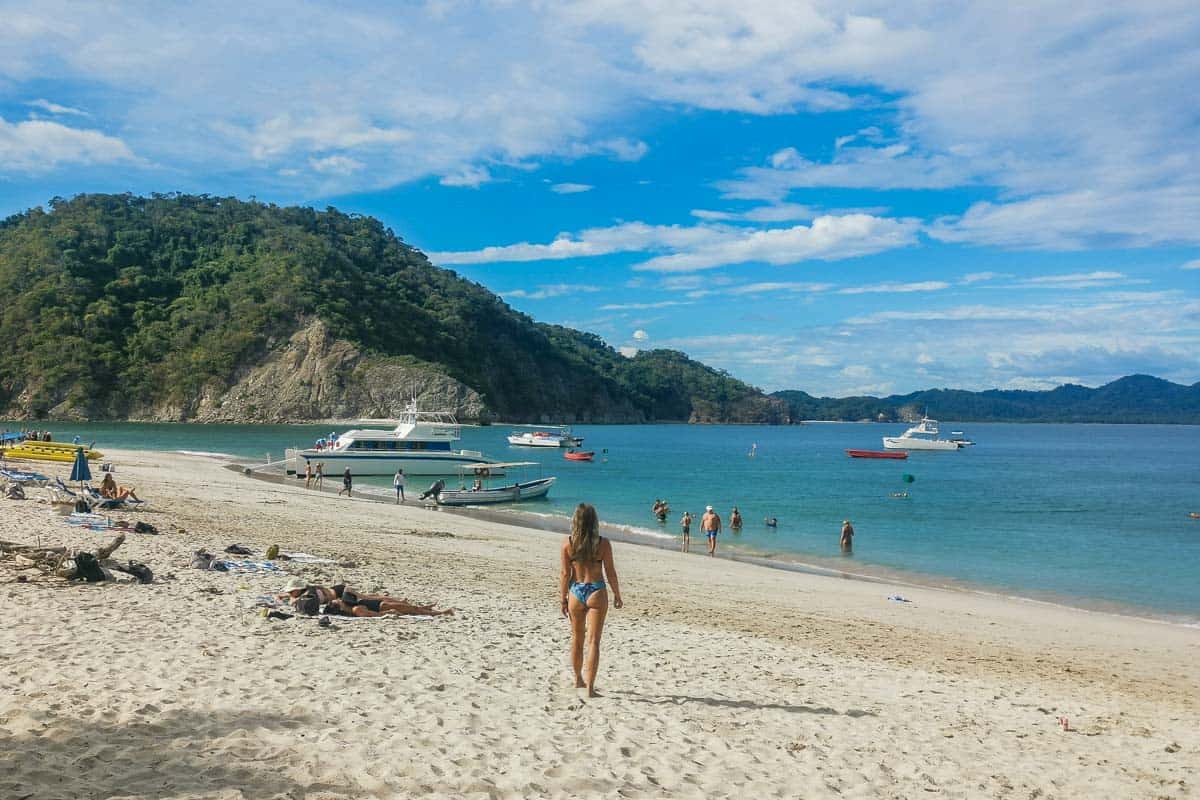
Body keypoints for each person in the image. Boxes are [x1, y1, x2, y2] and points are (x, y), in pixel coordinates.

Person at [559, 503, 622, 697]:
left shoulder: (568, 544)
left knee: (577, 639)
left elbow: (564, 574)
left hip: (576, 591)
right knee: (594, 641)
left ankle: (578, 678)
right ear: (594, 521)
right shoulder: (603, 544)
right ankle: (590, 688)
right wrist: (617, 594)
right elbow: (610, 572)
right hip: (596, 590)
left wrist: (563, 599)